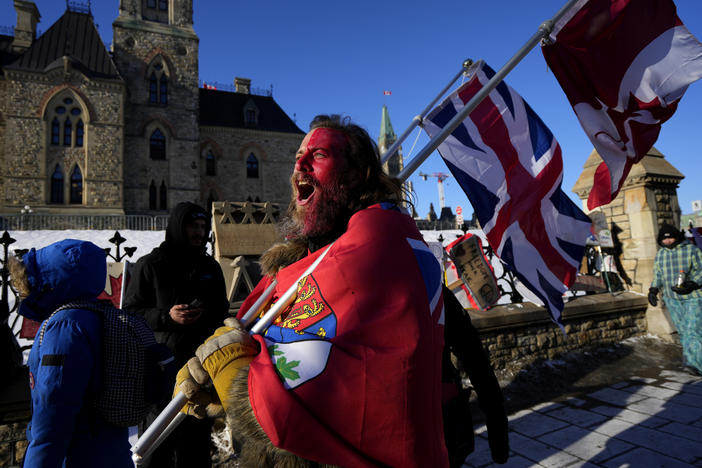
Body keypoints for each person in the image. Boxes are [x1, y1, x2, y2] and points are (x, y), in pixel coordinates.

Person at [175, 115, 449, 467]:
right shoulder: (301, 260)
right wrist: (215, 376)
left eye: (317, 154)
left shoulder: (379, 250)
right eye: (297, 156)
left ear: (353, 174)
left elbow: (338, 389)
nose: (298, 166)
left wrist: (232, 376)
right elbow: (268, 337)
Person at [123, 201, 229, 467]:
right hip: (162, 371)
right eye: (193, 226)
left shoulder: (210, 268)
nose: (199, 232)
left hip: (200, 370)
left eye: (203, 227)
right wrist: (166, 317)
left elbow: (222, 311)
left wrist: (206, 315)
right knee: (158, 442)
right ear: (178, 227)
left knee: (195, 445)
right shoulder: (152, 266)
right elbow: (131, 312)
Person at [11, 239, 133, 467]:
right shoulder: (98, 316)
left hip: (77, 457)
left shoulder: (65, 327)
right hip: (112, 453)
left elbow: (53, 415)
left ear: (51, 280)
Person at [648, 223, 702, 375]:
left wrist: (692, 283)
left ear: (677, 237)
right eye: (664, 240)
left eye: (670, 238)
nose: (668, 242)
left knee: (694, 331)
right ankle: (690, 361)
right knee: (684, 331)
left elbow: (701, 270)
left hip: (693, 297)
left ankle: (696, 365)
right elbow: (658, 274)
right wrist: (653, 290)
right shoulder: (661, 254)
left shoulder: (691, 250)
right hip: (672, 299)